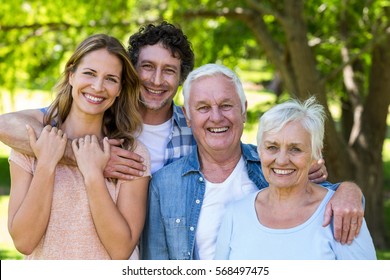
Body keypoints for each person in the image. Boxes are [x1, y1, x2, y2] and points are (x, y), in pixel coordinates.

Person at [0, 22, 360, 243]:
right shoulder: (100, 114)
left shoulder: (195, 123)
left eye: (169, 71)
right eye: (147, 68)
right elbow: (7, 125)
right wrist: (86, 158)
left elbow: (243, 155)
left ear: (181, 80)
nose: (157, 81)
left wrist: (346, 188)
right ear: (130, 71)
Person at [140, 63, 365, 260]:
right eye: (203, 108)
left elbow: (324, 201)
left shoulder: (277, 164)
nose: (216, 117)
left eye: (226, 105)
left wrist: (349, 189)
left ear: (244, 110)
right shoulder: (165, 185)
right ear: (187, 116)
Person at [7, 34, 151, 260]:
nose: (98, 86)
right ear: (71, 75)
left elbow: (121, 250)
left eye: (111, 79)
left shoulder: (130, 154)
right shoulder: (31, 144)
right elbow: (24, 242)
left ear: (120, 89)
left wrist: (93, 173)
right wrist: (46, 163)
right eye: (89, 73)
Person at [214, 97, 376, 259]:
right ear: (260, 151)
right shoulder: (235, 214)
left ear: (316, 153)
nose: (282, 160)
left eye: (295, 149)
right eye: (272, 147)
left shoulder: (342, 215)